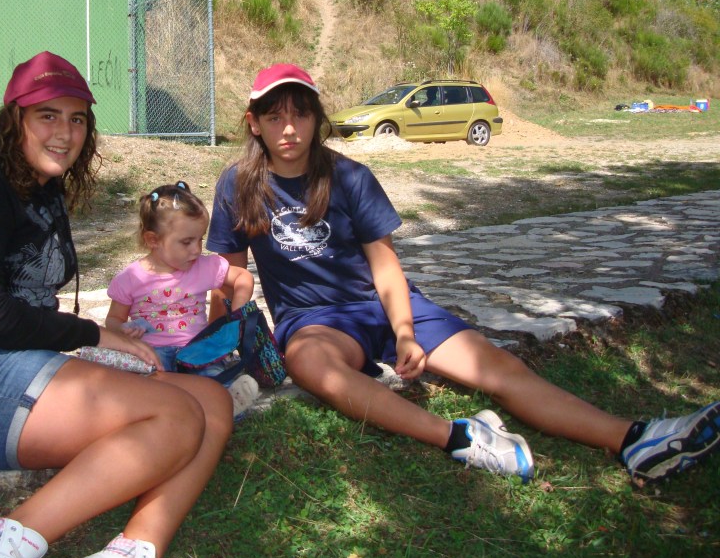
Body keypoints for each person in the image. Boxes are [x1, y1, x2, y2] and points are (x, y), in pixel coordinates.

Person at [206, 62, 720, 484]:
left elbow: (384, 264)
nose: (289, 128)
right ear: (255, 123)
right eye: (275, 117)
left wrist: (405, 332)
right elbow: (228, 278)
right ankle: (460, 437)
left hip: (385, 306)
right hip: (314, 322)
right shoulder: (237, 186)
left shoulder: (349, 176)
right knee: (315, 370)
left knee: (497, 368)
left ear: (317, 118)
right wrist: (213, 348)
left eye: (300, 114)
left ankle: (633, 439)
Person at [0, 51, 231, 558]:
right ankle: (1, 544)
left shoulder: (40, 191)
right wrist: (96, 335)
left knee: (210, 399)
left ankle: (132, 557)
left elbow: (24, 313)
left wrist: (97, 343)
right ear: (14, 119)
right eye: (48, 115)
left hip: (8, 365)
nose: (65, 132)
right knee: (174, 412)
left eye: (77, 118)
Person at [103, 181, 259, 415]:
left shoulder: (204, 266)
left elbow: (243, 278)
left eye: (200, 239)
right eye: (187, 242)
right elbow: (113, 320)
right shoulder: (131, 278)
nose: (196, 250)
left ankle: (228, 403)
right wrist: (123, 329)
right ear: (153, 240)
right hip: (150, 351)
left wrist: (237, 315)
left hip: (197, 349)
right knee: (143, 384)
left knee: (211, 378)